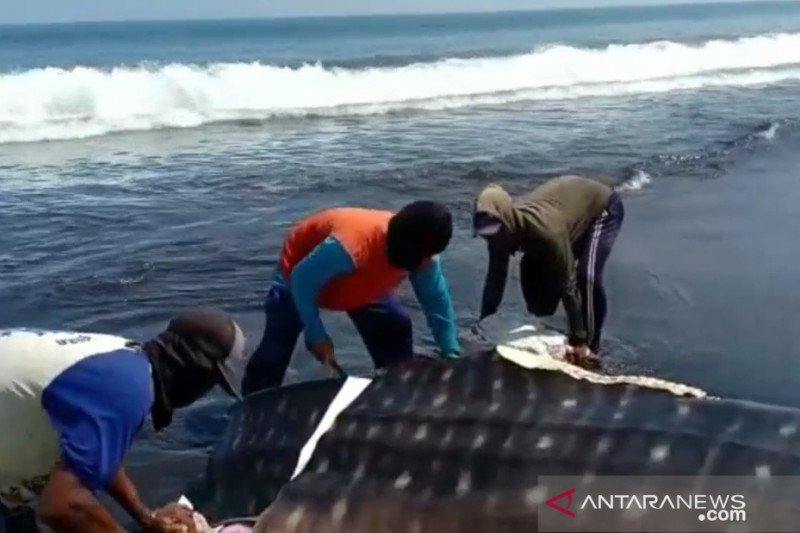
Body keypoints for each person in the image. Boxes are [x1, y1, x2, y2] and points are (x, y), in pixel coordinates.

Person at [0, 308, 247, 533]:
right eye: (211, 384)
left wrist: (146, 518)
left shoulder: (123, 360)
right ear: (196, 370)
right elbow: (61, 506)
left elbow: (97, 455)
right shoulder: (125, 391)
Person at [241, 201, 460, 395]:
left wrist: (450, 351)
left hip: (360, 283)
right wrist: (315, 333)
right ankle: (251, 402)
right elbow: (302, 280)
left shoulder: (426, 258)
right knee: (276, 347)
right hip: (299, 275)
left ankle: (394, 389)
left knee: (396, 325)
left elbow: (436, 302)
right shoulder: (351, 245)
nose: (421, 264)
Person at [473, 175, 624, 366]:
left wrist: (578, 338)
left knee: (586, 278)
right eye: (484, 233)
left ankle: (590, 347)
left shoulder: (547, 231)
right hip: (565, 217)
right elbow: (495, 277)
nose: (491, 237)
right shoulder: (496, 232)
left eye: (494, 229)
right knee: (539, 302)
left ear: (506, 219)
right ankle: (566, 327)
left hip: (602, 209)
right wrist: (485, 322)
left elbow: (567, 284)